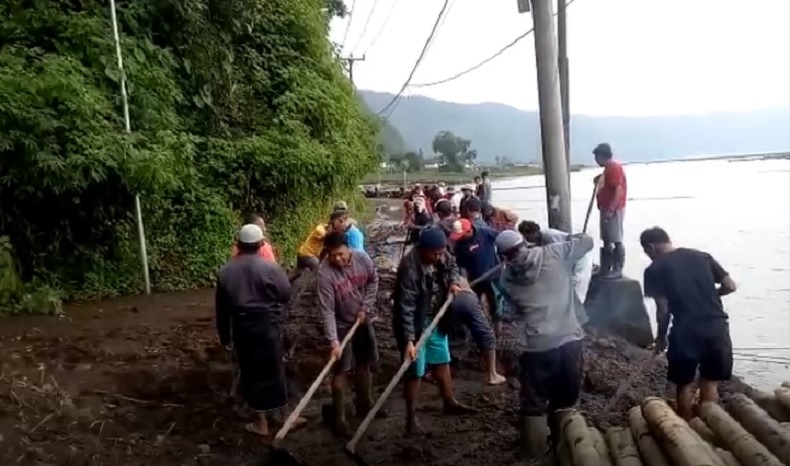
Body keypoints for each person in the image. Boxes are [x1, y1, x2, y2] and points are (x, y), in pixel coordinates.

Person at [494, 229, 593, 458]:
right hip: (570, 340)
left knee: (534, 402)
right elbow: (587, 242)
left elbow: (512, 311)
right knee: (565, 399)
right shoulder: (554, 253)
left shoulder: (505, 278)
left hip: (538, 346)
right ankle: (562, 445)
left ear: (504, 256)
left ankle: (535, 454)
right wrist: (571, 237)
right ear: (524, 243)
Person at [215, 224, 305, 436]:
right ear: (260, 244)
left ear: (238, 245)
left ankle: (261, 424)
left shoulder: (225, 272)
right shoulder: (271, 268)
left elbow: (222, 309)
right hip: (268, 326)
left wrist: (225, 338)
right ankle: (285, 419)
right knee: (275, 369)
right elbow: (285, 294)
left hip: (242, 328)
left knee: (250, 374)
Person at [640, 227, 737, 420]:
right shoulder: (702, 256)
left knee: (684, 382)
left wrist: (660, 338)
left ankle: (686, 425)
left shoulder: (654, 269)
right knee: (710, 381)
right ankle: (711, 423)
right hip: (716, 327)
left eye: (646, 252)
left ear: (650, 247)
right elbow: (730, 286)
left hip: (686, 332)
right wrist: (710, 296)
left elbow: (663, 309)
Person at [392, 227, 478, 435]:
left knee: (441, 359)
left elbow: (452, 266)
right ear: (423, 249)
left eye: (441, 252)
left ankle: (449, 401)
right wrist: (410, 340)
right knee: (416, 369)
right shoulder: (409, 268)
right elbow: (406, 307)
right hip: (415, 322)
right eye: (435, 254)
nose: (439, 257)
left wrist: (452, 282)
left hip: (436, 316)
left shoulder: (441, 253)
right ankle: (410, 420)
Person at [317, 231, 381, 435]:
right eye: (332, 255)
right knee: (341, 371)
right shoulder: (324, 273)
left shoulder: (362, 259)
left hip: (362, 320)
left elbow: (373, 281)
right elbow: (326, 309)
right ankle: (339, 418)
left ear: (348, 248)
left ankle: (365, 404)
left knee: (364, 363)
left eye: (340, 254)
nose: (336, 259)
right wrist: (334, 341)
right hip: (340, 324)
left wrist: (366, 307)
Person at [450, 218, 506, 384]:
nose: (458, 238)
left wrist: (504, 256)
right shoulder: (459, 245)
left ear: (468, 230)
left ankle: (497, 334)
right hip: (475, 279)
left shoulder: (485, 232)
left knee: (496, 304)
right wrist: (463, 281)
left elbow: (502, 239)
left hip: (493, 275)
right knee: (475, 306)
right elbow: (460, 266)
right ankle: (478, 335)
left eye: (460, 234)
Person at [518, 220, 594, 305]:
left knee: (577, 283)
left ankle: (577, 309)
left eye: (527, 236)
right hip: (568, 257)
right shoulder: (537, 241)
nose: (526, 239)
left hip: (580, 256)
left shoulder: (550, 236)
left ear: (534, 233)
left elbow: (559, 255)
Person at [592, 143, 627, 279]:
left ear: (602, 156)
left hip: (614, 210)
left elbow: (618, 190)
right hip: (606, 208)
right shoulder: (608, 169)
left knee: (616, 239)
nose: (596, 161)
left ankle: (617, 269)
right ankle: (606, 268)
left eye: (597, 157)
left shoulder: (614, 168)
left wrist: (612, 209)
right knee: (606, 239)